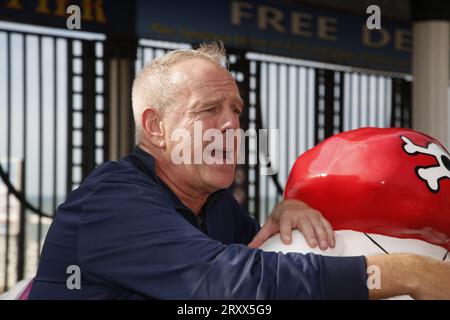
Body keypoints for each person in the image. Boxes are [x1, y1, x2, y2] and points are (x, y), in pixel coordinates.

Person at [28, 42, 450, 300]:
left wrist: (285, 211)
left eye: (236, 110)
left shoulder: (215, 204)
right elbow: (231, 285)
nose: (233, 125)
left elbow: (265, 265)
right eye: (209, 110)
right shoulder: (113, 201)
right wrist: (405, 271)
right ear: (156, 127)